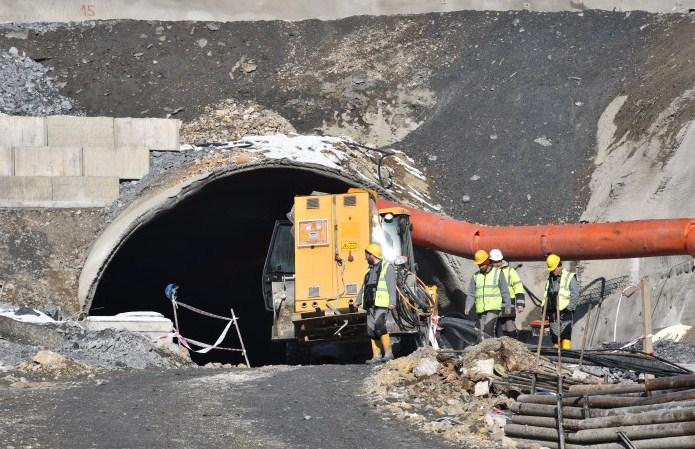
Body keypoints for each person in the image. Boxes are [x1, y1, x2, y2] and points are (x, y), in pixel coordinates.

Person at [355, 243, 397, 364]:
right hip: (370, 304)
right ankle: (376, 356)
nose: (365, 257)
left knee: (380, 328)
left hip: (381, 303)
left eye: (366, 255)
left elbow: (391, 285)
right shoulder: (368, 270)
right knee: (371, 330)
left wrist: (392, 302)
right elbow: (364, 287)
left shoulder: (386, 267)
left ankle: (389, 354)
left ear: (372, 255)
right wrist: (358, 301)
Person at [464, 249, 511, 338]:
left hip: (493, 308)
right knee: (481, 332)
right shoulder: (475, 276)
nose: (480, 266)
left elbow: (504, 290)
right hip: (481, 309)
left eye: (482, 264)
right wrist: (468, 306)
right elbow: (471, 293)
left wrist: (507, 305)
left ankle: (491, 350)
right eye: (479, 264)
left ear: (487, 261)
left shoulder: (497, 273)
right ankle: (486, 350)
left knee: (488, 329)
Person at [542, 253, 580, 349]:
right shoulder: (550, 278)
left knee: (565, 334)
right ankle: (556, 358)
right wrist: (544, 308)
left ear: (559, 266)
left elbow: (575, 294)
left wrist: (569, 308)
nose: (553, 272)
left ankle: (566, 358)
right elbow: (546, 294)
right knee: (555, 337)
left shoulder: (569, 277)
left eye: (554, 269)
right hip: (553, 312)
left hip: (565, 311)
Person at [489, 248, 526, 338]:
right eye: (495, 262)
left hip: (508, 303)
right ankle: (503, 348)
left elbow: (518, 287)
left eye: (499, 261)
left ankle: (514, 344)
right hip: (494, 304)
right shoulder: (489, 273)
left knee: (509, 325)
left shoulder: (510, 271)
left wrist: (520, 303)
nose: (498, 264)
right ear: (490, 262)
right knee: (499, 328)